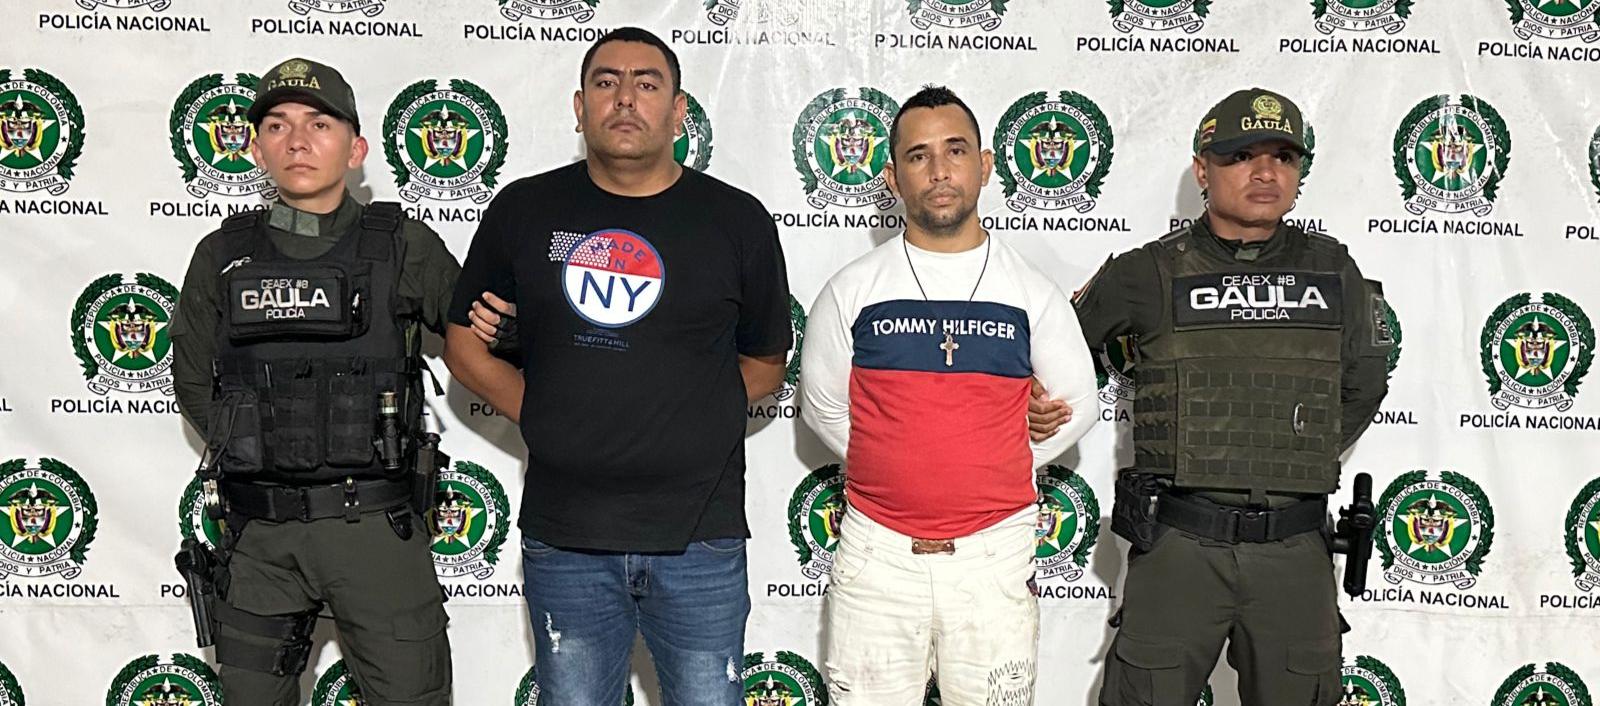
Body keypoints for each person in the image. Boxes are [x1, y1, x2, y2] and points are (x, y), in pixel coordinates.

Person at [441, 27, 793, 704]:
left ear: (679, 110)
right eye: (606, 82)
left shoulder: (737, 220)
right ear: (580, 107)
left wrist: (694, 418)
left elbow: (766, 361)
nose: (625, 98)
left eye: (646, 83)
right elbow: (463, 341)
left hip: (699, 537)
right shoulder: (525, 210)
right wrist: (542, 413)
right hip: (566, 536)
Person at [1067, 88, 1391, 706]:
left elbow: (1365, 384)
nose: (1266, 172)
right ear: (1202, 170)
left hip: (1293, 551)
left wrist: (1289, 445)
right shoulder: (1146, 272)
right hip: (1181, 548)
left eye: (1283, 157)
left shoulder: (1334, 271)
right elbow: (1061, 353)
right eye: (1242, 155)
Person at [169, 57, 457, 705]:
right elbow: (193, 383)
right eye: (277, 125)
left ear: (355, 150)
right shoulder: (222, 254)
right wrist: (264, 450)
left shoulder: (403, 245)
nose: (297, 140)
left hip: (375, 533)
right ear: (256, 149)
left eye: (319, 124)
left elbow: (481, 338)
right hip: (260, 536)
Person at [799, 85, 1099, 705]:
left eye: (956, 150)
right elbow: (823, 408)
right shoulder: (854, 288)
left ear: (985, 166)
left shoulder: (1029, 289)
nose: (939, 170)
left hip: (994, 558)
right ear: (892, 178)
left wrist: (993, 459)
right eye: (919, 155)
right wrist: (896, 460)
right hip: (876, 560)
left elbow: (1079, 404)